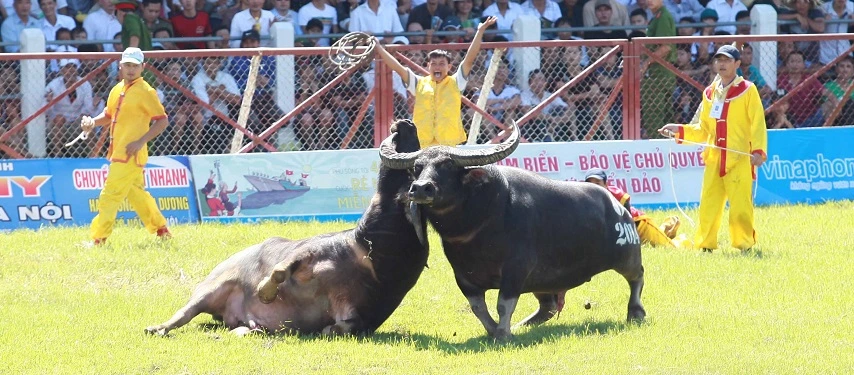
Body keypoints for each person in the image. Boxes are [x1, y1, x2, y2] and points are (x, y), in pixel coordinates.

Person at [658, 45, 768, 253]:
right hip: (714, 158)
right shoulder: (709, 93)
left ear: (737, 64)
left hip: (739, 159)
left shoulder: (748, 89)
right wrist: (679, 131)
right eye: (719, 60)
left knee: (741, 206)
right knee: (709, 204)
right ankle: (705, 245)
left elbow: (757, 122)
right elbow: (704, 129)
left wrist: (759, 151)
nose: (722, 64)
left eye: (727, 60)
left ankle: (744, 244)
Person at [79, 47, 172, 246]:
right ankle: (162, 230)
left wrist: (140, 141)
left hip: (130, 154)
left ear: (143, 67)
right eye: (127, 65)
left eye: (135, 66)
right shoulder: (117, 89)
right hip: (121, 153)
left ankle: (99, 239)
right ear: (120, 66)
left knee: (109, 195)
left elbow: (162, 121)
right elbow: (109, 115)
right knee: (138, 195)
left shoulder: (146, 91)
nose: (130, 69)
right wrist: (93, 122)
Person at [374, 16, 497, 148]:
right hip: (422, 144)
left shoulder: (456, 82)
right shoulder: (419, 83)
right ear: (428, 66)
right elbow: (398, 68)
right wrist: (379, 49)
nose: (437, 67)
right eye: (434, 64)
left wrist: (479, 31)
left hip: (448, 145)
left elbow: (469, 59)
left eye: (442, 64)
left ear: (449, 67)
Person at [584, 168, 687, 248]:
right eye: (590, 184)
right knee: (655, 243)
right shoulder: (586, 200)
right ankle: (667, 227)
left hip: (640, 226)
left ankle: (684, 241)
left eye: (598, 183)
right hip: (623, 233)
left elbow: (628, 220)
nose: (594, 187)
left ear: (606, 184)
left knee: (669, 247)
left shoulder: (616, 195)